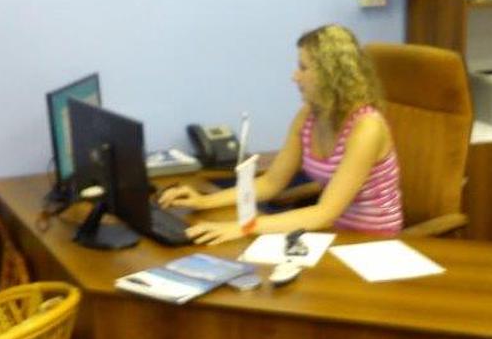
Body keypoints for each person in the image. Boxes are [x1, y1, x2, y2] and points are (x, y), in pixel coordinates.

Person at [159, 24, 403, 244]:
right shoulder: (309, 116)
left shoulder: (367, 127)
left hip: (373, 243)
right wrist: (204, 201)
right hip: (332, 234)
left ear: (331, 75)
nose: (294, 77)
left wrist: (245, 227)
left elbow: (325, 212)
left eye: (303, 68)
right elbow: (271, 182)